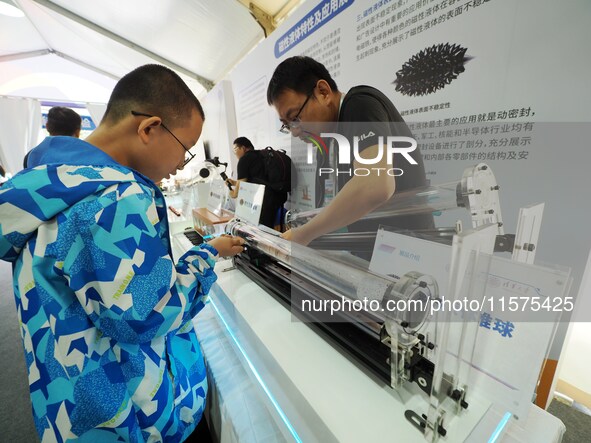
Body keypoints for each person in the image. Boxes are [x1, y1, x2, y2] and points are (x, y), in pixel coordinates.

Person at [0, 64, 245, 442]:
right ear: (149, 128)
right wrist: (205, 256)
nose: (182, 163)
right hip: (133, 420)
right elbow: (147, 314)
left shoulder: (51, 183)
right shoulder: (115, 198)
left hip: (74, 408)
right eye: (184, 149)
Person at [266, 56, 434, 247]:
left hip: (408, 251)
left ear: (323, 92)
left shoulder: (359, 105)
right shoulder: (333, 136)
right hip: (380, 250)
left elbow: (375, 185)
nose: (294, 132)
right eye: (287, 125)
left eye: (295, 118)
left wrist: (304, 234)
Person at [226, 136, 287, 230]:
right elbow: (254, 179)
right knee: (268, 229)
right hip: (276, 196)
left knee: (262, 231)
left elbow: (238, 191)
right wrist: (234, 183)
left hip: (262, 201)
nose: (234, 153)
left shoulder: (244, 159)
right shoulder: (260, 155)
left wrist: (232, 193)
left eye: (235, 149)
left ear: (243, 148)